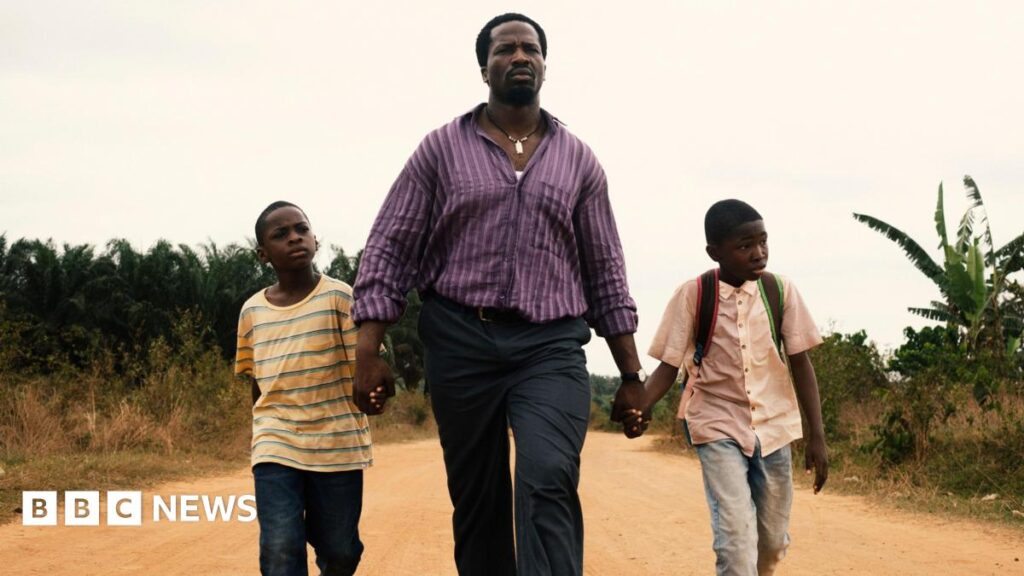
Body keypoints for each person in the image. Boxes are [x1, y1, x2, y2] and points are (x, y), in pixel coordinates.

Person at [351, 12, 647, 576]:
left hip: (549, 345)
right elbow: (391, 245)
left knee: (549, 475)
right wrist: (368, 350)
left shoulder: (579, 160)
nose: (519, 57)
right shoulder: (440, 149)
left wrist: (630, 375)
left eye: (530, 48)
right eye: (505, 49)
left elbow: (605, 270)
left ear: (545, 65)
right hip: (460, 340)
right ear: (483, 68)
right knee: (478, 497)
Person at [635, 199, 829, 576]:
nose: (759, 253)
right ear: (715, 252)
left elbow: (801, 363)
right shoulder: (694, 294)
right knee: (736, 539)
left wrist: (817, 436)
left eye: (763, 241)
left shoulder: (780, 291)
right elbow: (668, 366)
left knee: (771, 543)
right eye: (745, 245)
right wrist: (640, 406)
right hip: (716, 424)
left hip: (773, 427)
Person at [235, 201, 374, 576]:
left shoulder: (340, 297)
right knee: (281, 546)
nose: (295, 237)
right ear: (263, 254)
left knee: (340, 551)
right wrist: (261, 430)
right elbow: (257, 381)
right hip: (276, 440)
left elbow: (364, 369)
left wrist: (374, 392)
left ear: (315, 239)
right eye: (281, 234)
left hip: (337, 443)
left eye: (302, 229)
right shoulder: (252, 311)